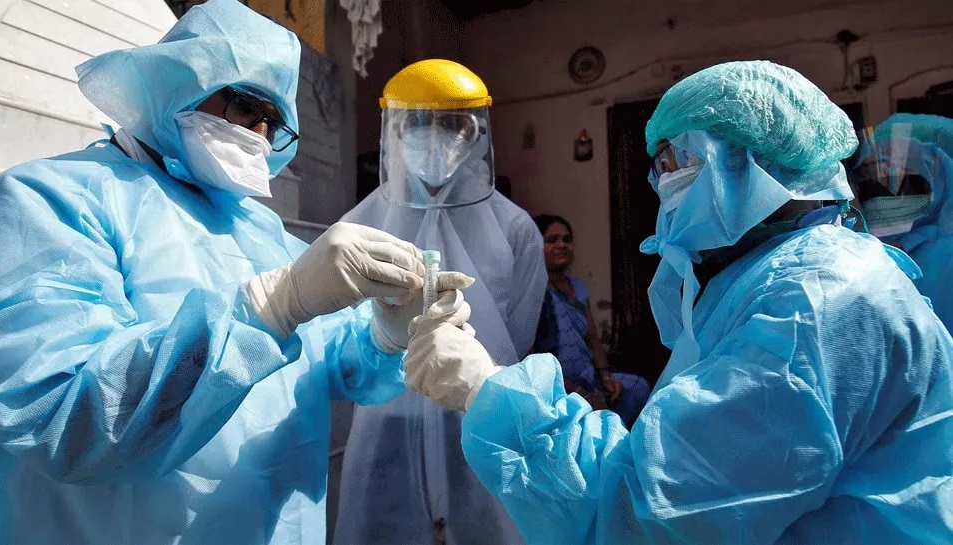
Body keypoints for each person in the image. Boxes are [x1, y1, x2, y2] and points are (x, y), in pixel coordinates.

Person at [403, 60, 953, 544]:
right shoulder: (772, 276)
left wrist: (490, 393)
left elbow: (652, 509)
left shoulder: (817, 302)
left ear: (754, 160)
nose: (662, 185)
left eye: (677, 162)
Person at [0, 1, 471, 543]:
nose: (258, 131)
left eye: (273, 122)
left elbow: (329, 358)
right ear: (178, 82)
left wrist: (386, 333)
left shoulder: (262, 231)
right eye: (245, 106)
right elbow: (59, 419)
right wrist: (269, 309)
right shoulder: (52, 201)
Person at [335, 59, 544, 545]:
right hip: (387, 418)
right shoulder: (358, 227)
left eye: (452, 124)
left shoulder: (514, 228)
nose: (433, 137)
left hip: (479, 411)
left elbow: (518, 336)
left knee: (489, 529)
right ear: (394, 129)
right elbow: (343, 344)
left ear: (477, 133)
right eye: (417, 122)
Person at [532, 214, 649, 426]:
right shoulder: (537, 292)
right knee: (589, 414)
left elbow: (593, 338)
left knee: (638, 387)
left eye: (567, 239)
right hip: (558, 386)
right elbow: (534, 356)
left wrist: (606, 378)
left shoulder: (576, 286)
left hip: (588, 378)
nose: (562, 245)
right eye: (552, 240)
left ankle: (608, 431)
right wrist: (581, 394)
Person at [850, 113, 953, 329]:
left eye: (902, 178)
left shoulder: (946, 257)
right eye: (871, 178)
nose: (883, 193)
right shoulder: (869, 253)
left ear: (943, 175)